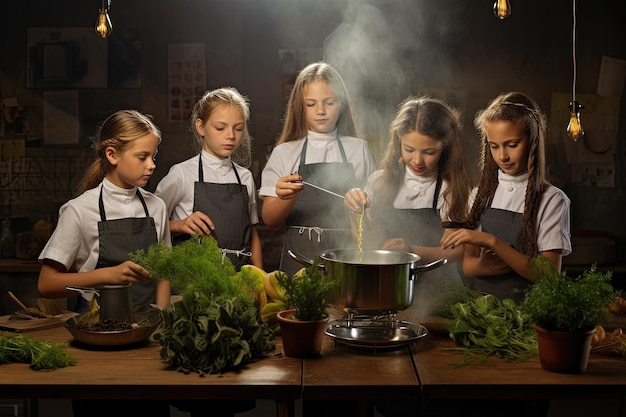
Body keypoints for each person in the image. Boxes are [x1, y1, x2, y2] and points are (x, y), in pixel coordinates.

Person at [37, 109, 171, 417]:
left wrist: (159, 321)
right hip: (95, 344)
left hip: (145, 344)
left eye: (154, 156)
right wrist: (106, 274)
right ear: (112, 154)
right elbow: (46, 284)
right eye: (142, 156)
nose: (152, 165)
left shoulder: (157, 207)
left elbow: (163, 272)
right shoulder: (79, 211)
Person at [344, 95, 474, 312]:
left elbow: (459, 252)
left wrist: (411, 252)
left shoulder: (451, 189)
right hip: (389, 293)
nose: (417, 160)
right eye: (409, 149)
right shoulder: (379, 182)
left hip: (440, 295)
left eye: (429, 152)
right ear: (398, 141)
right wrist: (352, 210)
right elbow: (368, 243)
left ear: (446, 146)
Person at [440, 91, 572, 304]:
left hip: (529, 315)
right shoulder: (479, 195)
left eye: (512, 144)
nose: (503, 156)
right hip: (483, 313)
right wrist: (484, 266)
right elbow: (468, 266)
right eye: (494, 146)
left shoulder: (552, 200)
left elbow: (548, 275)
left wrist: (491, 241)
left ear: (533, 141)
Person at [259, 61, 376, 277]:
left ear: (342, 104)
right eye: (310, 104)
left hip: (346, 257)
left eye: (329, 102)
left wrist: (361, 203)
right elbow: (269, 219)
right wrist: (288, 197)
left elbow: (373, 214)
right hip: (298, 258)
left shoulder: (357, 149)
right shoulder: (285, 153)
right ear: (299, 108)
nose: (320, 111)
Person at [155, 87, 262, 271]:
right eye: (220, 128)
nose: (231, 135)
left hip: (239, 280)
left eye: (238, 128)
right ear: (200, 126)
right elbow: (149, 224)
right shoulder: (181, 174)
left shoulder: (245, 177)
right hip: (194, 280)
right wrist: (180, 225)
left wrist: (260, 279)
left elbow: (253, 234)